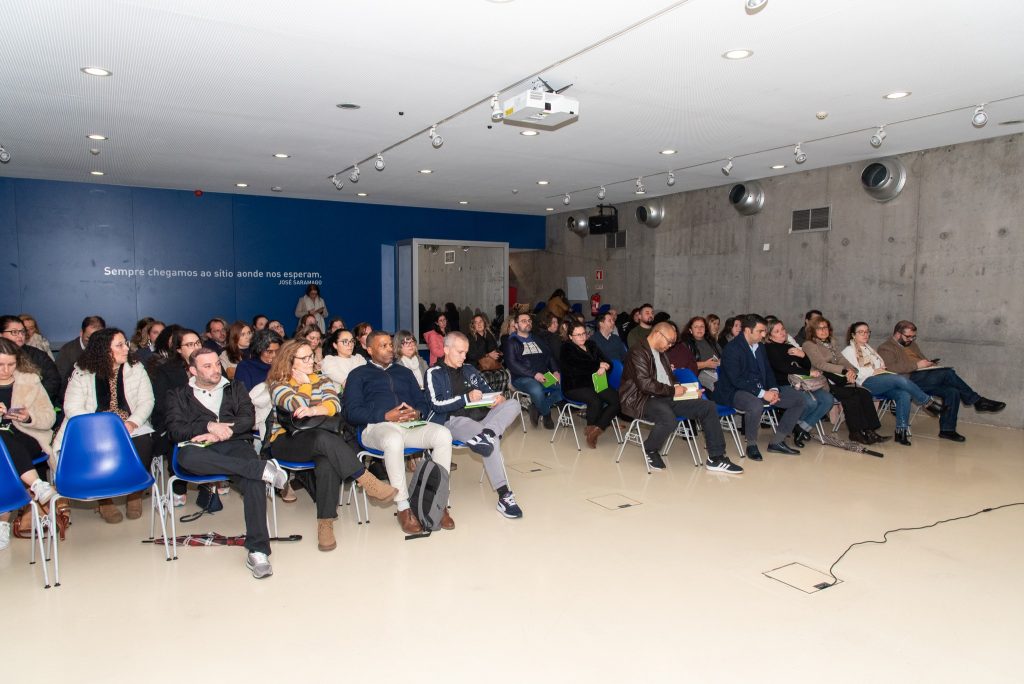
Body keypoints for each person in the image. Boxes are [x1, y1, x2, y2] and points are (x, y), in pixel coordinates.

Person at [165, 347, 286, 579]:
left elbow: (247, 419)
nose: (215, 369)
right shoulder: (178, 394)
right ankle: (261, 468)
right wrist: (209, 427)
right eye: (207, 366)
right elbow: (175, 429)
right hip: (199, 449)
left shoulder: (235, 387)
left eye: (217, 364)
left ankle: (258, 551)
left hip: (235, 444)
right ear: (193, 370)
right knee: (187, 457)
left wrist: (221, 434)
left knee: (254, 481)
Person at [268, 340, 397, 551]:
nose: (311, 361)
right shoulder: (278, 383)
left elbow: (334, 404)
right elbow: (296, 406)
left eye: (311, 356)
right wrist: (306, 386)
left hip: (322, 442)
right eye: (304, 358)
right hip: (287, 441)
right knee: (322, 438)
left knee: (326, 460)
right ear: (290, 361)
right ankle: (366, 480)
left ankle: (325, 524)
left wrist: (313, 410)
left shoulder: (322, 379)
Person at [344, 330, 454, 535]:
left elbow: (421, 402)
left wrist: (417, 412)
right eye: (383, 346)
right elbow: (351, 412)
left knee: (443, 435)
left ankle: (438, 503)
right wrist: (385, 415)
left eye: (390, 345)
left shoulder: (404, 372)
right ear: (369, 350)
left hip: (408, 425)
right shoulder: (358, 375)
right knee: (394, 440)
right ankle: (403, 507)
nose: (390, 349)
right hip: (376, 427)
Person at [56, 328, 155, 523]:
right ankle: (104, 499)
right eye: (119, 345)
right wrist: (102, 427)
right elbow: (72, 407)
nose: (126, 348)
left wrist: (133, 422)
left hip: (128, 425)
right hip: (92, 429)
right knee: (94, 448)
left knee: (144, 442)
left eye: (126, 343)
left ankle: (134, 494)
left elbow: (147, 401)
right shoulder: (82, 372)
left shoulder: (136, 368)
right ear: (104, 350)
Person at [425, 331, 523, 518]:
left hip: (481, 421)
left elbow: (487, 391)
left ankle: (487, 434)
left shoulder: (470, 369)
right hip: (454, 422)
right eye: (460, 352)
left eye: (466, 352)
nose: (464, 357)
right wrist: (466, 398)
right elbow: (436, 405)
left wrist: (497, 398)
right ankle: (504, 495)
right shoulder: (433, 373)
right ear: (446, 350)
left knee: (513, 404)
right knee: (489, 439)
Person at [619, 322, 739, 473]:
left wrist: (688, 391)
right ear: (657, 334)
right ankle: (650, 449)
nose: (670, 346)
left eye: (672, 343)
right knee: (668, 419)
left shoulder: (661, 351)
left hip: (665, 395)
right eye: (669, 342)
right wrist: (673, 391)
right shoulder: (637, 351)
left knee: (708, 407)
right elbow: (645, 384)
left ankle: (716, 458)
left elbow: (670, 378)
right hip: (642, 399)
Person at [877, 320, 1005, 442]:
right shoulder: (886, 348)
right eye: (908, 336)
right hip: (907, 381)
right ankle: (977, 401)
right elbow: (890, 369)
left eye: (913, 337)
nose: (911, 339)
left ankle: (947, 430)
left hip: (922, 378)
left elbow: (920, 361)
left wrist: (929, 364)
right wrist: (917, 365)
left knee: (952, 391)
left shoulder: (912, 345)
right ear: (898, 334)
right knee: (948, 373)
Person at [712, 314, 805, 460]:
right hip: (734, 391)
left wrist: (773, 389)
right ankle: (752, 445)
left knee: (799, 399)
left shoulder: (760, 346)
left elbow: (768, 371)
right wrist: (762, 393)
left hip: (759, 388)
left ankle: (777, 442)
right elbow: (736, 380)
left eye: (764, 331)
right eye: (760, 331)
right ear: (747, 330)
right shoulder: (732, 348)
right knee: (755, 404)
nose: (763, 335)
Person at [842, 322, 943, 446]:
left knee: (903, 394)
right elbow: (854, 371)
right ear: (853, 335)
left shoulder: (868, 348)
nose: (865, 334)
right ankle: (928, 402)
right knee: (898, 379)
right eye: (861, 332)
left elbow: (881, 364)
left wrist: (880, 368)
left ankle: (901, 432)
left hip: (880, 380)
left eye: (867, 332)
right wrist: (874, 371)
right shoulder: (848, 350)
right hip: (864, 383)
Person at [0, 339, 58, 550]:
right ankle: (37, 485)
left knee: (4, 452)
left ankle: (2, 524)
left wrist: (28, 417)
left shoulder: (30, 380)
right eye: (0, 365)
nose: (6, 370)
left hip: (28, 438)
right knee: (2, 443)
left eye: (11, 364)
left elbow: (50, 417)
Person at [801, 316, 887, 445]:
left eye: (826, 328)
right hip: (822, 381)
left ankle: (870, 431)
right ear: (812, 330)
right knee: (852, 396)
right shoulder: (809, 344)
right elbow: (820, 364)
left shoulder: (831, 343)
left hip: (837, 379)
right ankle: (855, 433)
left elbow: (841, 359)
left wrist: (852, 370)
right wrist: (843, 370)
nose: (824, 331)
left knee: (864, 393)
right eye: (819, 328)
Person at [764, 320, 837, 448]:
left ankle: (801, 428)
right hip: (783, 384)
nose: (782, 333)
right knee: (810, 402)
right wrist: (808, 373)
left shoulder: (788, 346)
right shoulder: (769, 349)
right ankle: (795, 426)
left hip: (803, 383)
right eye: (777, 331)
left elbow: (807, 365)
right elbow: (783, 368)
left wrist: (803, 355)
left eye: (783, 329)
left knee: (828, 399)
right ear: (769, 336)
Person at [559, 322, 620, 448]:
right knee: (595, 401)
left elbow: (607, 361)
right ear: (570, 337)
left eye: (584, 333)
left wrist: (604, 367)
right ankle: (592, 429)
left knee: (617, 399)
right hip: (575, 385)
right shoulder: (566, 348)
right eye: (578, 335)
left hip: (595, 382)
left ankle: (595, 429)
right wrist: (598, 366)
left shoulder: (591, 344)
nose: (582, 337)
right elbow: (575, 367)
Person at [503, 310, 562, 429]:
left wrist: (555, 371)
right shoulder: (511, 342)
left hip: (543, 375)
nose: (528, 323)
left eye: (529, 321)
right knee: (536, 390)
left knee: (563, 388)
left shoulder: (537, 339)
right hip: (523, 377)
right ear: (516, 325)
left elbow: (549, 356)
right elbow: (512, 364)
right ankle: (546, 414)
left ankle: (538, 407)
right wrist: (534, 374)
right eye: (523, 321)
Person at [0, 315, 61, 405]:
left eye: (22, 331)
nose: (20, 335)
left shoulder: (38, 355)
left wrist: (33, 401)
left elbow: (53, 380)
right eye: (14, 332)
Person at [55, 315, 106, 385]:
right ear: (81, 333)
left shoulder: (108, 349)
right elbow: (61, 381)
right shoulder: (67, 352)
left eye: (97, 339)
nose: (92, 342)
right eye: (88, 338)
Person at [679, 316, 721, 390]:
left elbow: (722, 355)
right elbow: (685, 366)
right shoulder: (685, 344)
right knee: (720, 386)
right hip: (699, 374)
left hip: (717, 371)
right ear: (690, 330)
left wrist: (720, 360)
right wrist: (705, 364)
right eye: (696, 327)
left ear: (705, 329)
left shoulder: (711, 341)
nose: (699, 329)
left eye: (702, 326)